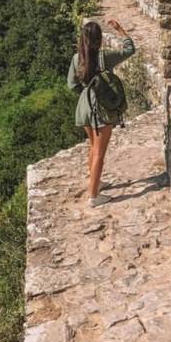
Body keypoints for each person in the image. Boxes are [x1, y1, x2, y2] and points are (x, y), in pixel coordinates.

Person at [67, 18, 135, 207]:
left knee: (92, 147)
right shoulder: (105, 57)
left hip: (83, 108)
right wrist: (120, 29)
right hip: (100, 111)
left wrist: (86, 94)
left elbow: (71, 84)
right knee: (99, 152)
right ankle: (93, 195)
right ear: (99, 39)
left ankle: (95, 183)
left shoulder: (76, 59)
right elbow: (130, 49)